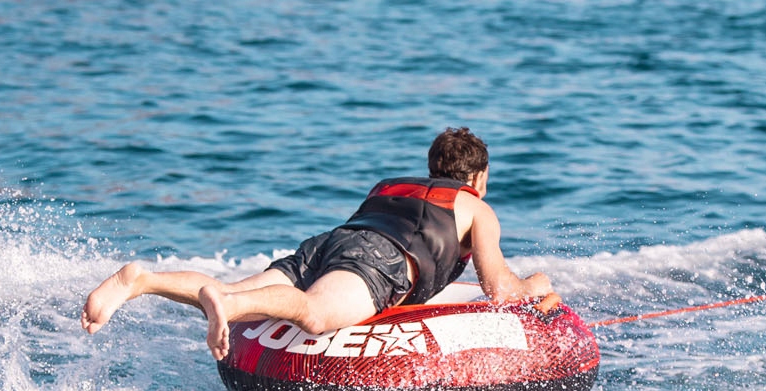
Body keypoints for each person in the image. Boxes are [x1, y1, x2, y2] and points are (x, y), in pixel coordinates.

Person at [82, 127, 553, 360]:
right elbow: (498, 290)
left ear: (431, 167)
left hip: (331, 242)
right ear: (481, 176)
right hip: (380, 260)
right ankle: (226, 304)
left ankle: (142, 280)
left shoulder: (390, 184)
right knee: (313, 313)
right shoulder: (475, 206)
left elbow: (368, 230)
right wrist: (536, 283)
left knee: (233, 289)